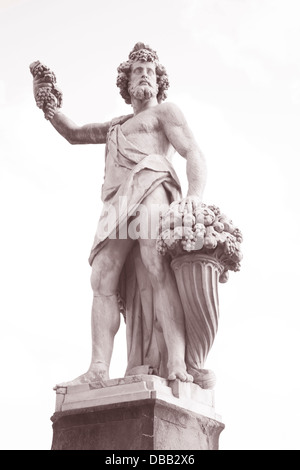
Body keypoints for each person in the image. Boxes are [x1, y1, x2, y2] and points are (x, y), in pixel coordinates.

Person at [31, 43, 207, 387]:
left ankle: (175, 361)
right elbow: (74, 133)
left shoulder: (165, 113)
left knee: (155, 264)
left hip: (152, 182)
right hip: (117, 201)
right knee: (101, 277)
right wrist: (48, 105)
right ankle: (97, 368)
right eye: (137, 70)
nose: (144, 75)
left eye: (151, 71)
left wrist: (194, 196)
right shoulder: (117, 126)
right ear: (126, 84)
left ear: (159, 82)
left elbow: (193, 152)